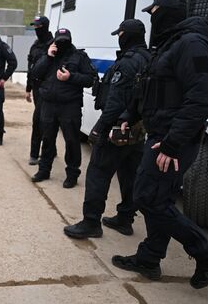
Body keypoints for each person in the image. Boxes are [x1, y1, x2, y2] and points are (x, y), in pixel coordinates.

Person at [111, 0, 208, 289]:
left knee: (147, 197)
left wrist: (172, 143)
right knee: (158, 198)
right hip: (162, 134)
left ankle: (206, 252)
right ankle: (149, 257)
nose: (151, 17)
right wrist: (130, 115)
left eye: (154, 11)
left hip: (172, 141)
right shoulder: (172, 43)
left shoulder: (193, 44)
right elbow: (150, 88)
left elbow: (200, 101)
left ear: (168, 12)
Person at [64, 19, 150, 239]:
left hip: (116, 128)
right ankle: (125, 218)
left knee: (98, 173)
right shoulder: (148, 58)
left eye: (120, 34)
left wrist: (99, 128)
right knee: (130, 174)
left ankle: (91, 222)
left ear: (126, 36)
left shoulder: (127, 63)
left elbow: (116, 101)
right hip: (137, 128)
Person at [30, 28, 96, 188]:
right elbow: (35, 73)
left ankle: (72, 174)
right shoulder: (49, 55)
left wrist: (70, 77)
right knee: (47, 139)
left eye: (65, 40)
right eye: (59, 40)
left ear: (70, 40)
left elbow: (90, 79)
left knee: (72, 141)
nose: (62, 43)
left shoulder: (79, 56)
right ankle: (44, 170)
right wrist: (47, 56)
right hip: (48, 104)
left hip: (70, 106)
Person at [26, 16, 55, 165]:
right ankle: (35, 153)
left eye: (39, 27)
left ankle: (40, 152)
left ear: (45, 27)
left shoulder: (54, 44)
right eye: (35, 27)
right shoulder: (35, 45)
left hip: (50, 88)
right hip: (37, 89)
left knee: (43, 121)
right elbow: (30, 68)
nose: (36, 30)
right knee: (39, 120)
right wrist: (28, 88)